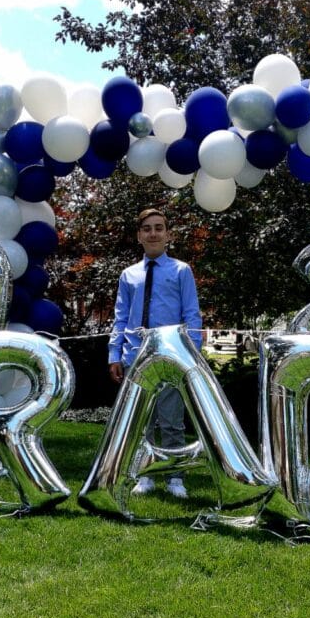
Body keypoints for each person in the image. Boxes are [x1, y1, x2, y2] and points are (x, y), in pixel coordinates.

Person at [108, 207, 203, 499]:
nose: (153, 233)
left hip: (171, 354)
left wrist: (192, 353)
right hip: (135, 356)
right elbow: (121, 315)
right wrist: (114, 353)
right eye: (147, 228)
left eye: (159, 228)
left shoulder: (180, 270)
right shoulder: (129, 275)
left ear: (168, 235)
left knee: (172, 421)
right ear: (139, 235)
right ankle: (144, 476)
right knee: (140, 422)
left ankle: (175, 478)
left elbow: (192, 314)